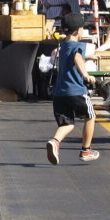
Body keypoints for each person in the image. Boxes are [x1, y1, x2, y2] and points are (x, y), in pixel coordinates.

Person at [45, 13, 99, 165]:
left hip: (59, 93)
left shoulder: (62, 47)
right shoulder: (77, 46)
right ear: (77, 31)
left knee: (67, 124)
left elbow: (72, 58)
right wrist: (86, 74)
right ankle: (86, 150)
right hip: (76, 91)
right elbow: (76, 58)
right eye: (82, 29)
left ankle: (54, 142)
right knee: (91, 116)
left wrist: (87, 58)